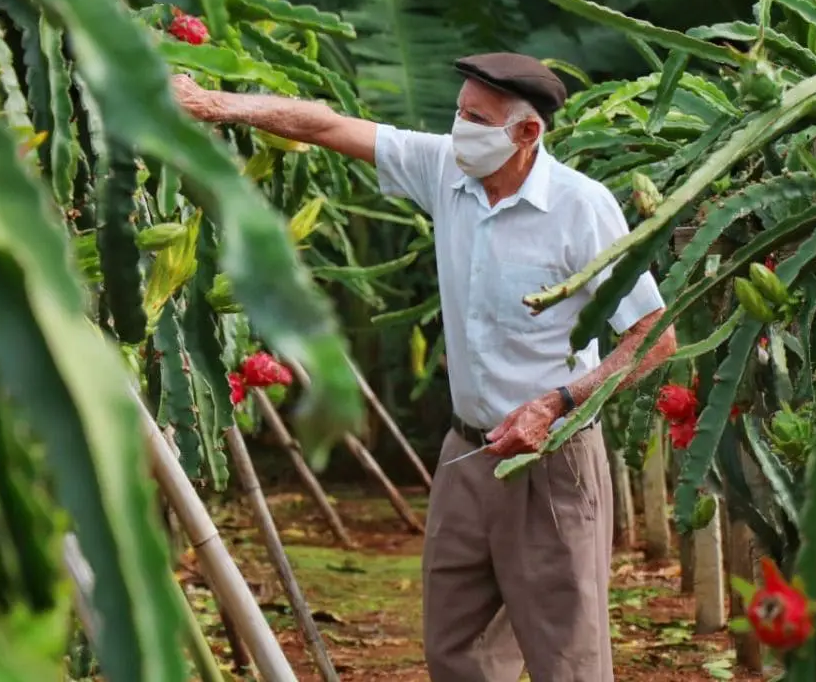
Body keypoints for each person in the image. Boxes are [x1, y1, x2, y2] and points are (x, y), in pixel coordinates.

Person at [170, 52, 677, 681]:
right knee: (455, 651)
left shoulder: (582, 208)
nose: (459, 127)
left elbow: (655, 335)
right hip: (466, 453)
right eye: (459, 111)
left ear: (527, 133)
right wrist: (211, 103)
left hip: (553, 461)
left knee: (566, 659)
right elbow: (324, 126)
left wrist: (558, 405)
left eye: (477, 118)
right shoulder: (446, 169)